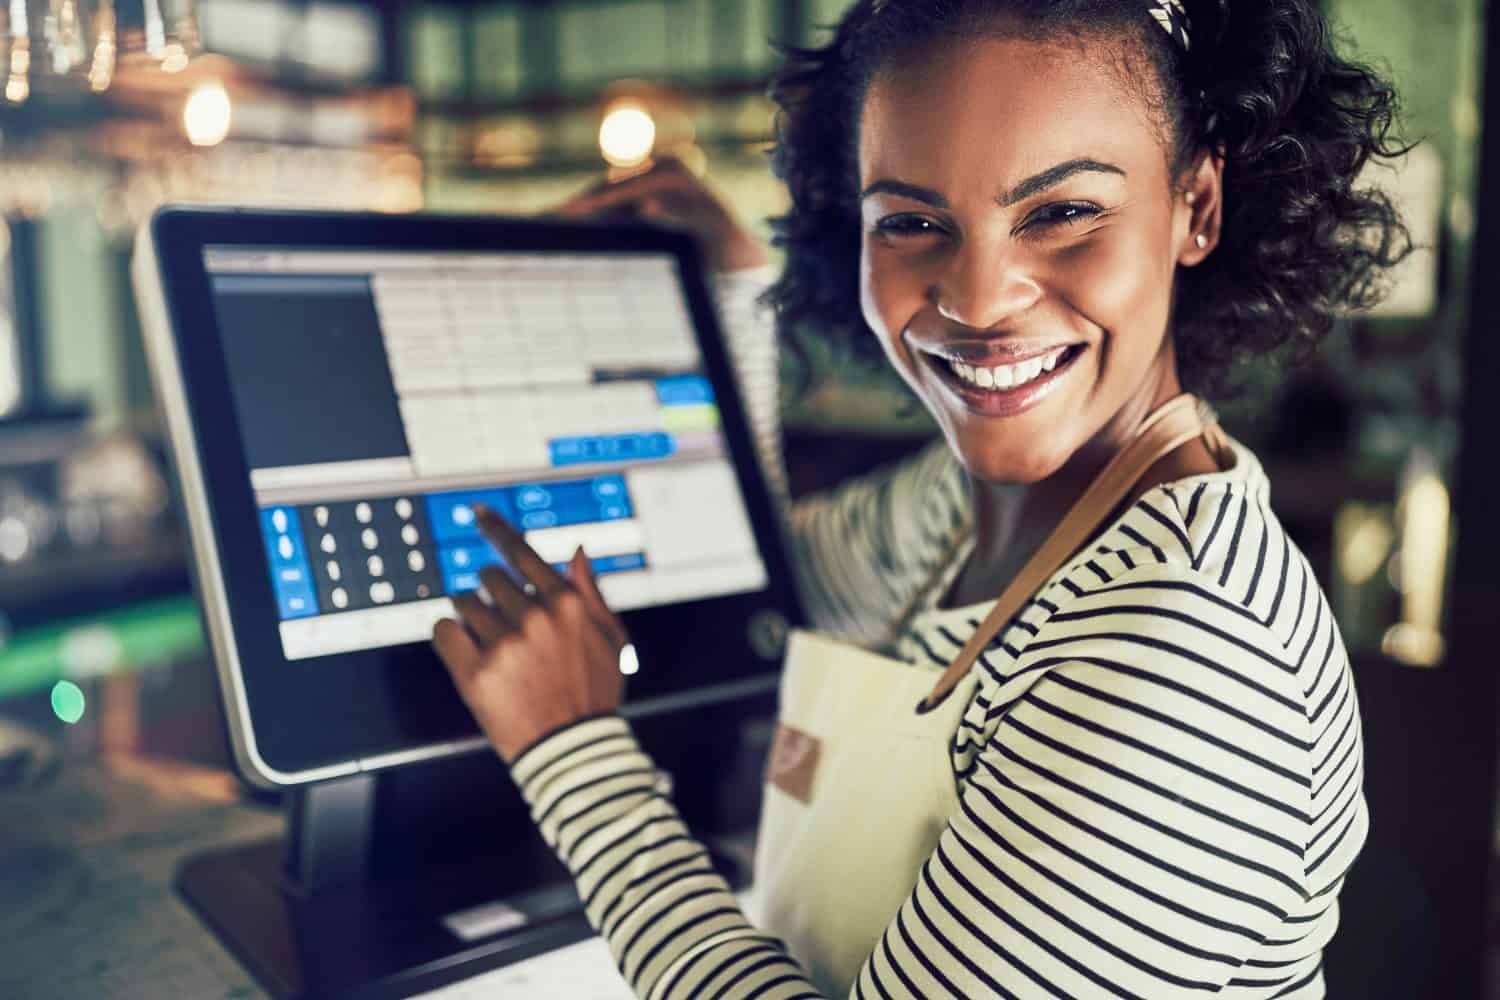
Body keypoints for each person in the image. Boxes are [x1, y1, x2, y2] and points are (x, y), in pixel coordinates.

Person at [430, 0, 1410, 995]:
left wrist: (576, 759)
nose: (978, 300)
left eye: (1063, 212)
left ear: (1195, 207)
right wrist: (732, 293)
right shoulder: (971, 512)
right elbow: (765, 593)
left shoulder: (1184, 652)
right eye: (909, 221)